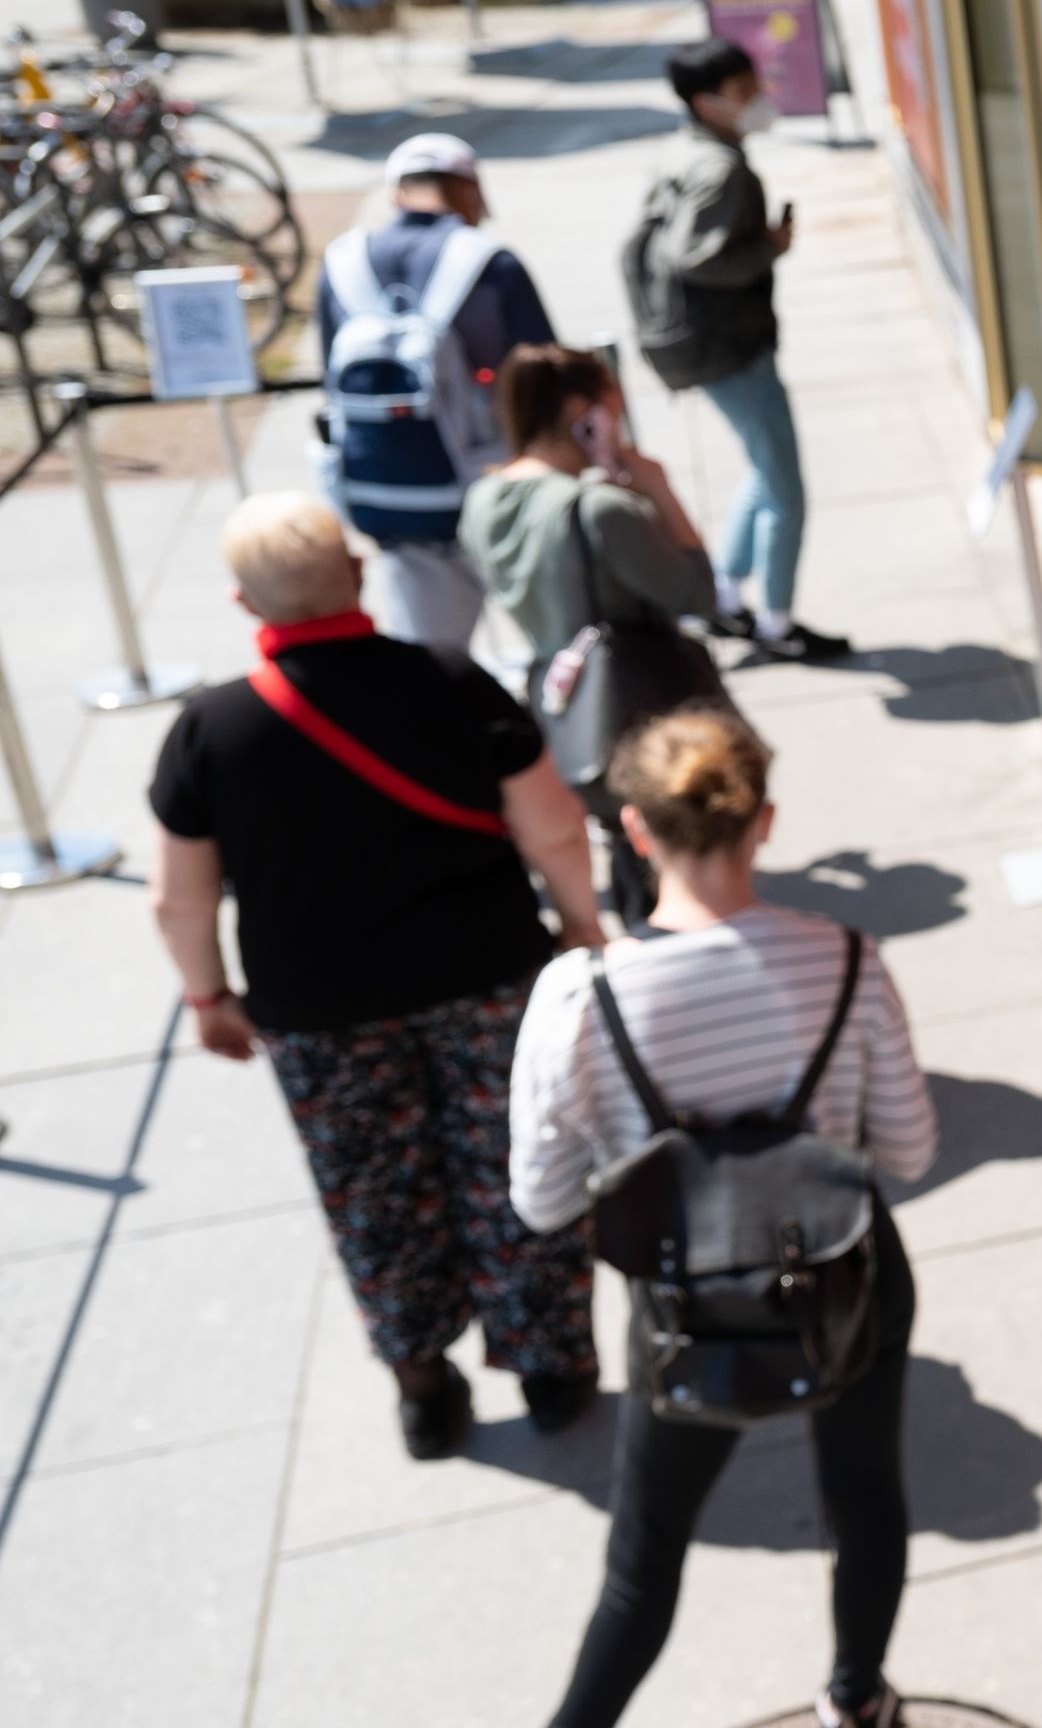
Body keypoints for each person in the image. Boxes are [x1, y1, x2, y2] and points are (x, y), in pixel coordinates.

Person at [422, 706, 936, 1728]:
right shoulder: (845, 962)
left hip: (688, 1314)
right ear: (765, 823)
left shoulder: (578, 1001)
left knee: (646, 1551)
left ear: (635, 834)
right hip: (845, 1285)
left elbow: (543, 1204)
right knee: (866, 1501)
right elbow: (907, 1151)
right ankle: (857, 1705)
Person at [147, 494, 607, 1459]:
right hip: (487, 975)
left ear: (245, 603)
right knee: (516, 1163)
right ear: (355, 573)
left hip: (320, 1009)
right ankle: (550, 1363)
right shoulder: (449, 678)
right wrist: (579, 923)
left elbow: (179, 900)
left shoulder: (210, 730)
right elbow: (554, 825)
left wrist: (207, 995)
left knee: (371, 1190)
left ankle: (421, 1382)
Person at [463, 344, 724, 929]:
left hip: (563, 707)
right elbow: (699, 593)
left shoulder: (483, 500)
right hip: (639, 708)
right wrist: (656, 488)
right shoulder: (601, 509)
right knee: (669, 867)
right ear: (586, 412)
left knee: (624, 843)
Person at [641, 36, 848, 665]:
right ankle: (777, 623)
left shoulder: (686, 153)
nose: (757, 100)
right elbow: (693, 257)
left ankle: (726, 596)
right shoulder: (721, 169)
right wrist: (769, 248)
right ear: (707, 102)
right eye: (742, 92)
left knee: (764, 469)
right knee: (786, 489)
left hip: (706, 348)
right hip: (730, 350)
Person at [313, 132, 559, 662]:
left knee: (431, 672)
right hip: (498, 494)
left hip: (395, 502)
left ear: (395, 192)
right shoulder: (492, 265)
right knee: (557, 654)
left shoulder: (340, 264)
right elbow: (546, 380)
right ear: (470, 190)